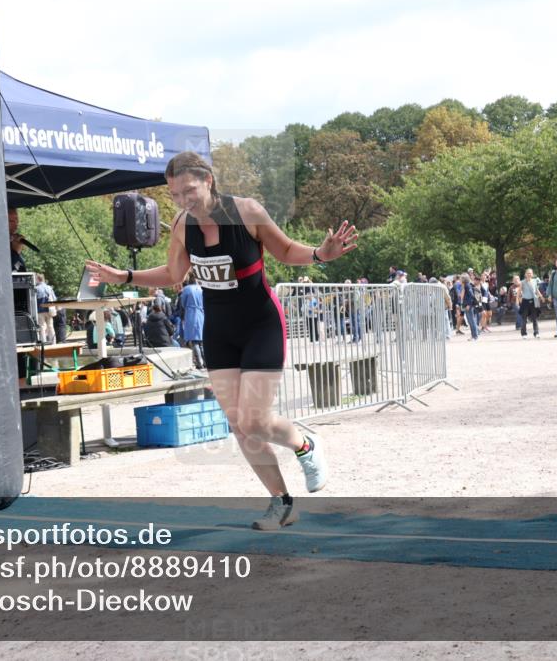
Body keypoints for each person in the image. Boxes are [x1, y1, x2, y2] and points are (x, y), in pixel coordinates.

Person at [86, 151, 356, 530]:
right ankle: (282, 502)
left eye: (189, 190)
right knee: (239, 424)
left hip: (261, 324)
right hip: (221, 332)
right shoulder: (182, 224)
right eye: (175, 194)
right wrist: (125, 276)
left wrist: (319, 254)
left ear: (208, 181)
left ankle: (305, 445)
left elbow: (285, 249)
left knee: (256, 419)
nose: (182, 201)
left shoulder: (246, 212)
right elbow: (174, 273)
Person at [179, 275, 205, 368]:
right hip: (201, 314)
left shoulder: (186, 289)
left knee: (194, 341)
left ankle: (199, 363)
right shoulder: (201, 289)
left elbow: (183, 303)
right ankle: (206, 362)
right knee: (201, 340)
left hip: (191, 314)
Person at [519, 269, 545, 338]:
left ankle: (536, 333)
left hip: (533, 301)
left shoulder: (534, 281)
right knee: (524, 318)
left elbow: (536, 290)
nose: (529, 274)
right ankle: (524, 334)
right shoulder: (522, 282)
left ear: (532, 274)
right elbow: (519, 291)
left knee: (534, 318)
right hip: (525, 302)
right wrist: (518, 300)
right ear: (525, 274)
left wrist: (541, 297)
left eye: (530, 273)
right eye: (527, 273)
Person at [34, 273, 57, 344]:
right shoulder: (49, 287)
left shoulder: (36, 289)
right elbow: (55, 298)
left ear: (38, 279)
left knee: (42, 327)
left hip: (40, 311)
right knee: (50, 326)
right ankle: (53, 342)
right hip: (49, 310)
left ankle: (43, 342)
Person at [7, 208, 27, 273]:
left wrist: (16, 252)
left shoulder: (13, 243)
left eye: (17, 220)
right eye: (11, 221)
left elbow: (20, 270)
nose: (16, 224)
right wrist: (15, 251)